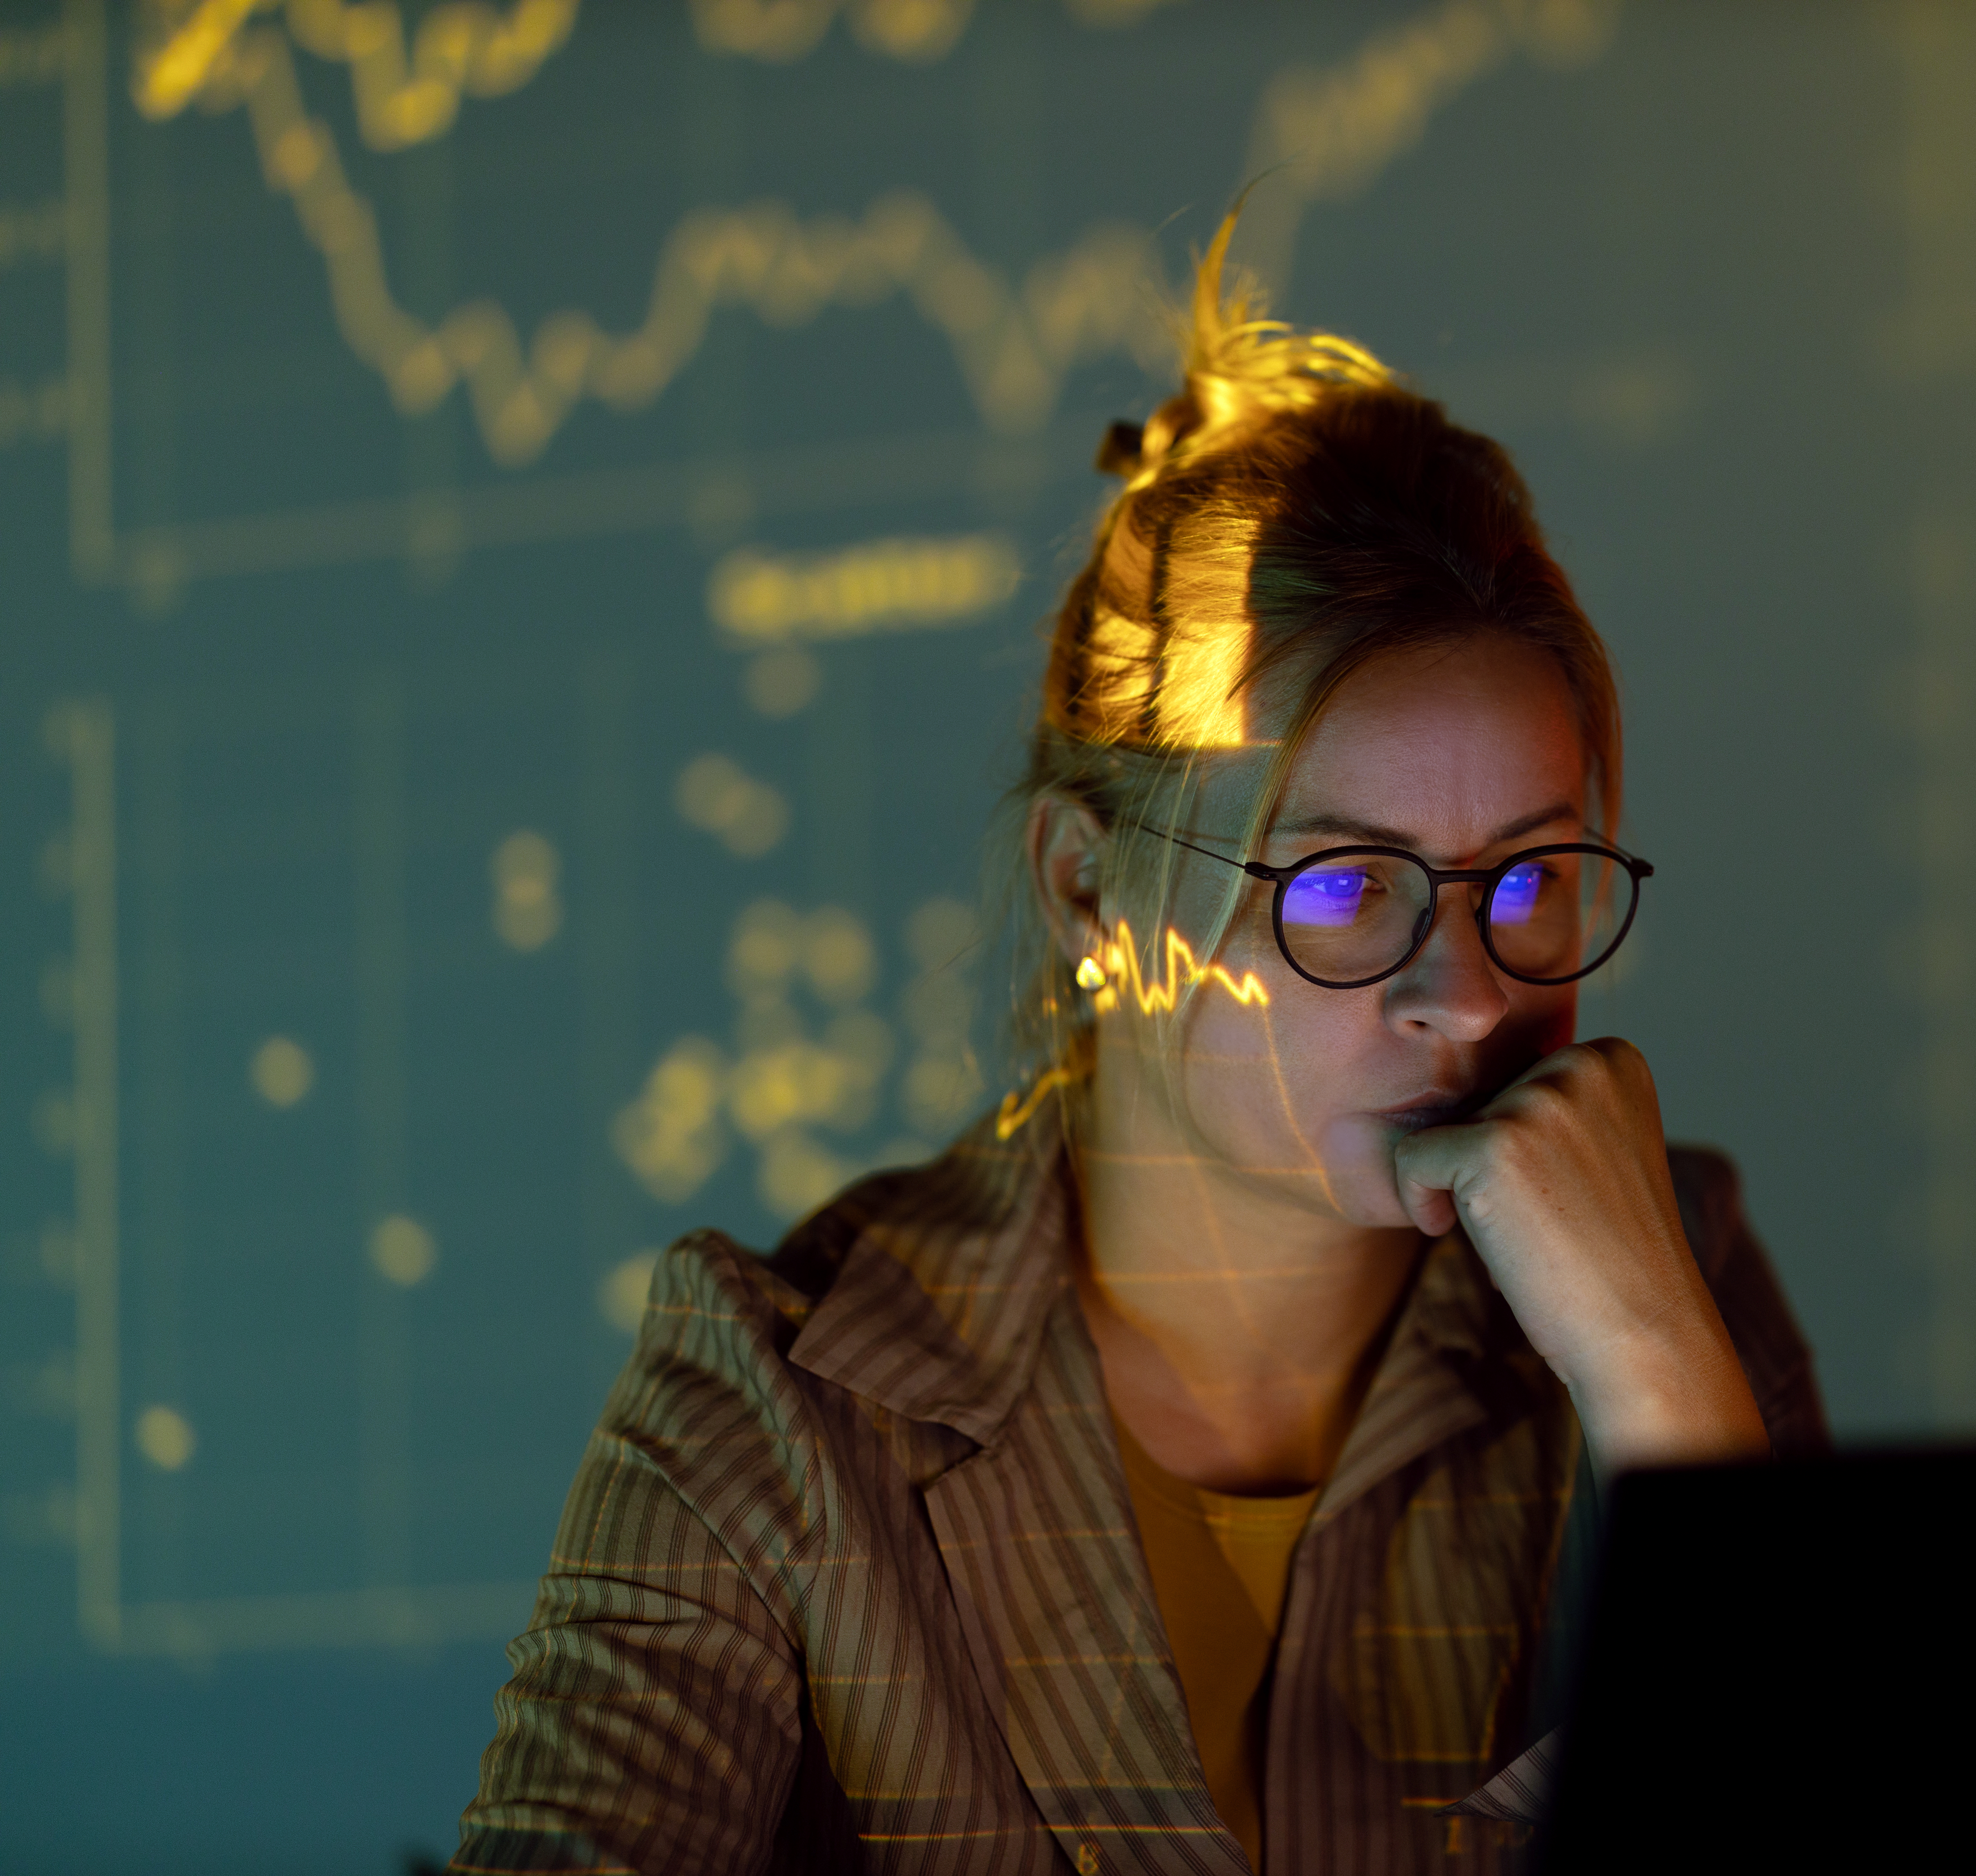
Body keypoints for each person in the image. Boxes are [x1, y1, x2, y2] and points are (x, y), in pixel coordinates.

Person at [452, 216, 1828, 1876]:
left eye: (1531, 877)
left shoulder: (1669, 1284)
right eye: (1342, 885)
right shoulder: (771, 1406)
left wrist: (1671, 1400)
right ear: (1091, 888)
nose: (1468, 997)